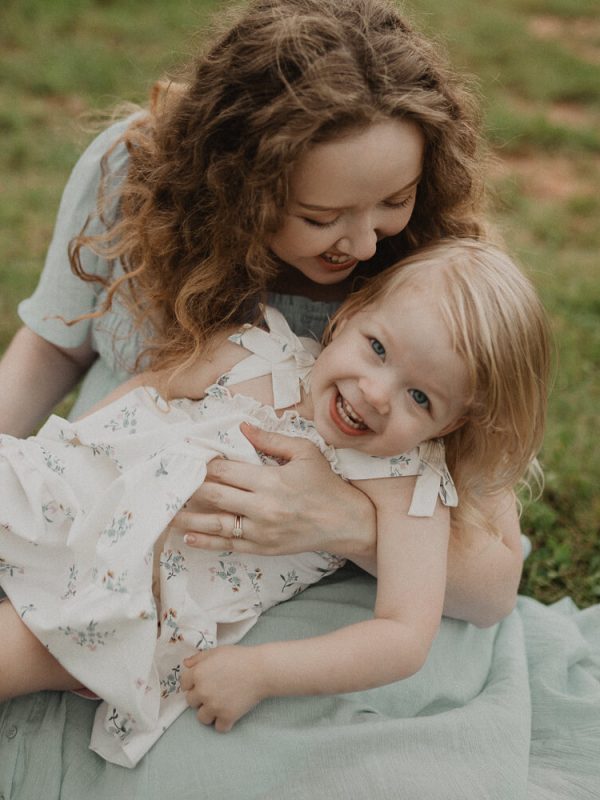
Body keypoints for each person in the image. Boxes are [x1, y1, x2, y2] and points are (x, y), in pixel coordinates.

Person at [0, 239, 550, 769]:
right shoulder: (253, 352)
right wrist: (52, 460)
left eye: (421, 397)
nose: (377, 393)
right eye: (378, 349)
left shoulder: (405, 482)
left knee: (18, 653)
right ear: (350, 313)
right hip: (67, 499)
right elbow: (151, 389)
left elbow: (404, 636)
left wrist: (263, 670)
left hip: (138, 594)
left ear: (451, 423)